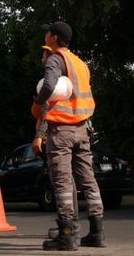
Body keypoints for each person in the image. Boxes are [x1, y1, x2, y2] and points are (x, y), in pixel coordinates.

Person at [31, 21, 104, 251]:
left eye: (47, 32)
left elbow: (50, 84)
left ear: (53, 37)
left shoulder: (55, 59)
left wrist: (37, 102)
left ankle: (67, 235)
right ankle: (97, 233)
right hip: (83, 128)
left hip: (62, 129)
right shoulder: (80, 63)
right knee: (88, 180)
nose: (45, 35)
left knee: (62, 181)